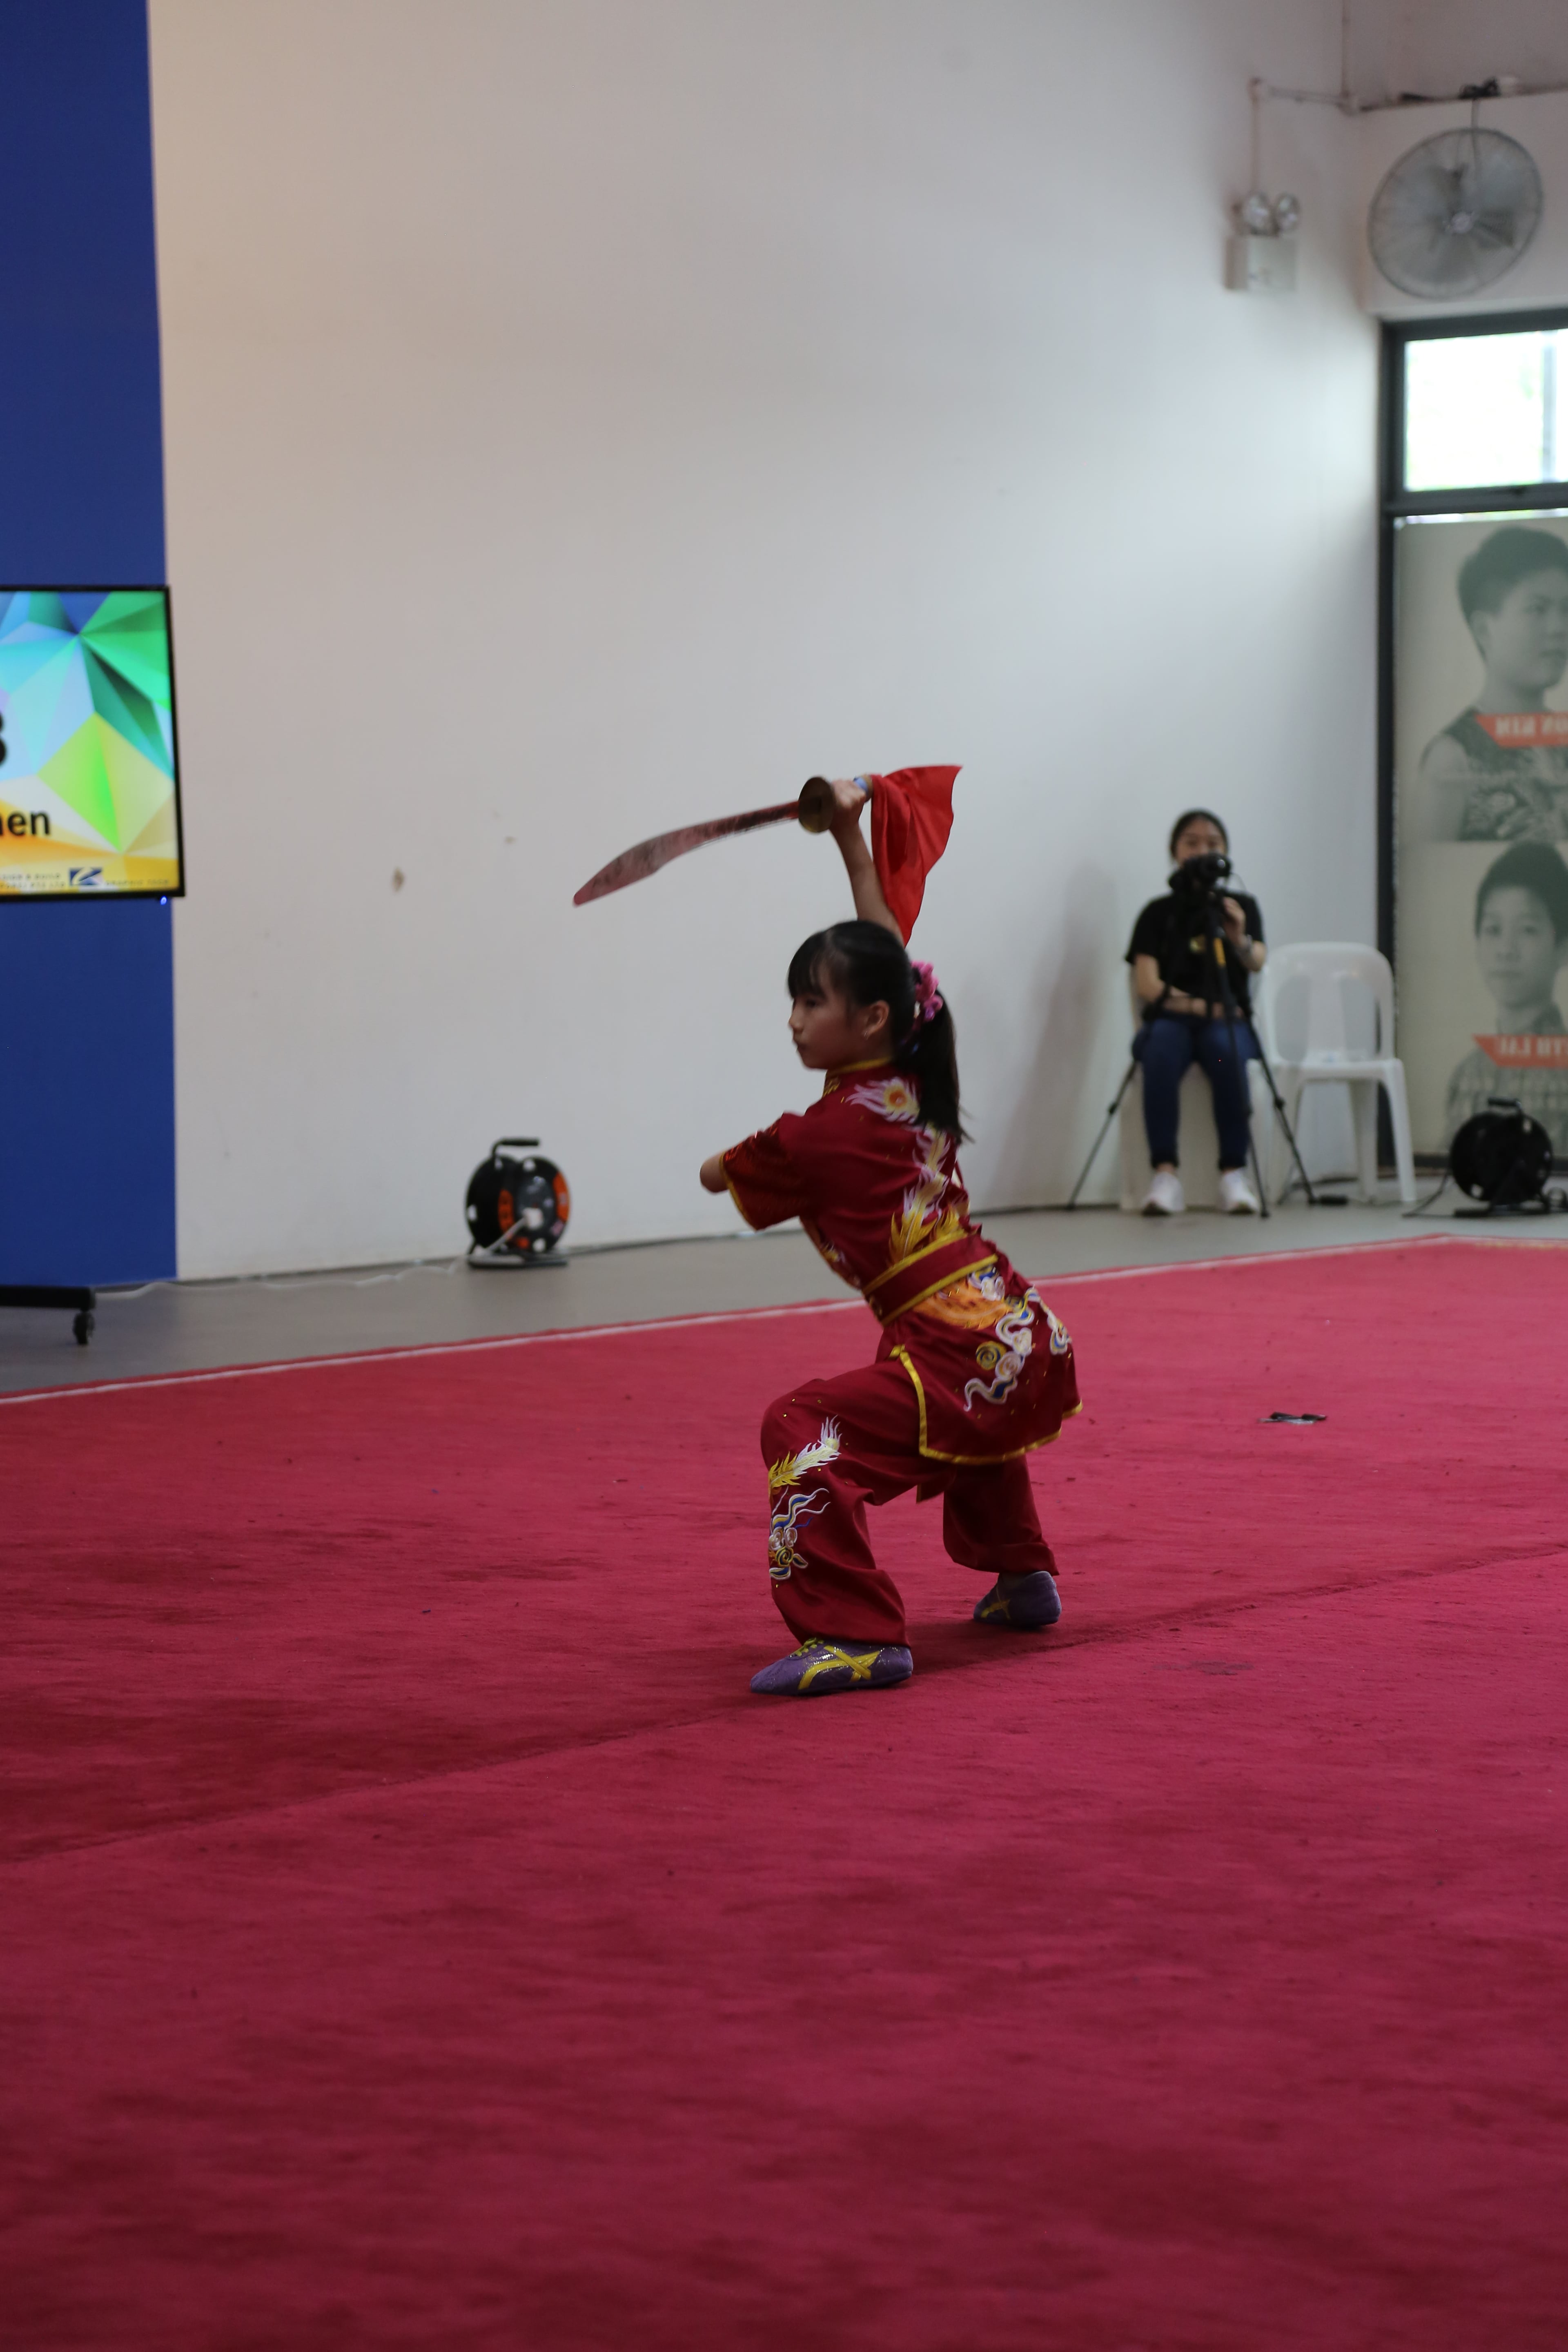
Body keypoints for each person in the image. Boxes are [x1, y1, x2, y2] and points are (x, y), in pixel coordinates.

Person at [699, 778, 1080, 1698]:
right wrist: (850, 835)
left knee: (799, 1424)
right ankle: (1022, 1575)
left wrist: (726, 1158)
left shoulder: (816, 1136)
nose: (794, 1020)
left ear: (871, 1019)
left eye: (811, 1003)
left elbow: (717, 1175)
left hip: (957, 1338)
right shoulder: (913, 1068)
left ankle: (856, 1633)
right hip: (1017, 1324)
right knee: (936, 1386)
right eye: (793, 1002)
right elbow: (887, 956)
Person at [1124, 809, 1266, 1217]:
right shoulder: (1158, 913)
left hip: (1224, 1027)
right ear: (1174, 852)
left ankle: (1233, 1175)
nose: (1202, 850)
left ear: (1226, 854)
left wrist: (1238, 937)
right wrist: (1195, 1004)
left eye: (1212, 843)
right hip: (1172, 1023)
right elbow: (1147, 985)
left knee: (1226, 1054)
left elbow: (1257, 961)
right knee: (1160, 1051)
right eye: (1191, 842)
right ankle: (1165, 1176)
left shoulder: (1240, 907)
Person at [1417, 526, 1568, 843]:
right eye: (1537, 610)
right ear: (1484, 630)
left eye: (1566, 610)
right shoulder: (1452, 756)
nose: (1559, 628)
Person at [1444, 840, 1568, 1156]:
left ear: (1563, 947)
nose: (1506, 950)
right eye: (1494, 929)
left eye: (1527, 930)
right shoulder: (1466, 1075)